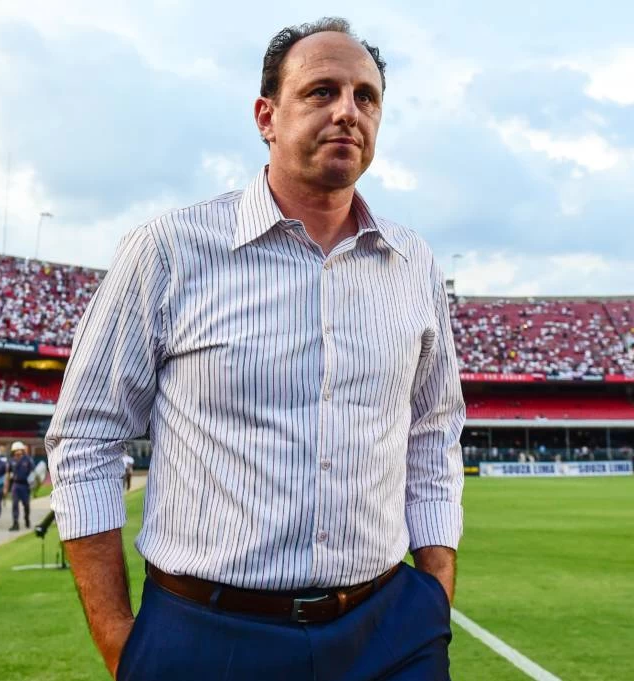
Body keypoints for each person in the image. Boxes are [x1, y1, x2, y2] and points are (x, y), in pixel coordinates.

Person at [46, 17, 464, 681]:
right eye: (321, 92)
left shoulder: (413, 263)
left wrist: (434, 582)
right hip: (207, 631)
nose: (348, 112)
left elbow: (433, 430)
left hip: (387, 628)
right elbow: (88, 437)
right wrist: (116, 633)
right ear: (266, 116)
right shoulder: (169, 249)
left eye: (367, 97)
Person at [7, 441, 34, 531]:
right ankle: (15, 523)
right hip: (15, 484)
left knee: (26, 504)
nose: (18, 451)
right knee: (14, 504)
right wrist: (6, 487)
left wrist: (32, 485)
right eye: (16, 450)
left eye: (19, 450)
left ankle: (26, 518)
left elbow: (33, 473)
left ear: (22, 450)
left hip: (25, 485)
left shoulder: (28, 460)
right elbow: (8, 473)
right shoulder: (11, 461)